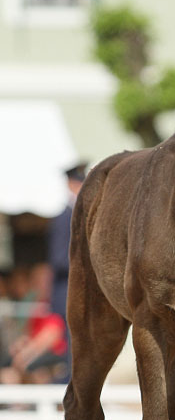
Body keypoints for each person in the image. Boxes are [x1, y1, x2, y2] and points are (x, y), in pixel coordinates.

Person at [48, 162, 86, 381]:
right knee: (73, 353)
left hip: (77, 294)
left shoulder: (78, 214)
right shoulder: (64, 217)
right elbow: (58, 259)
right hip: (67, 295)